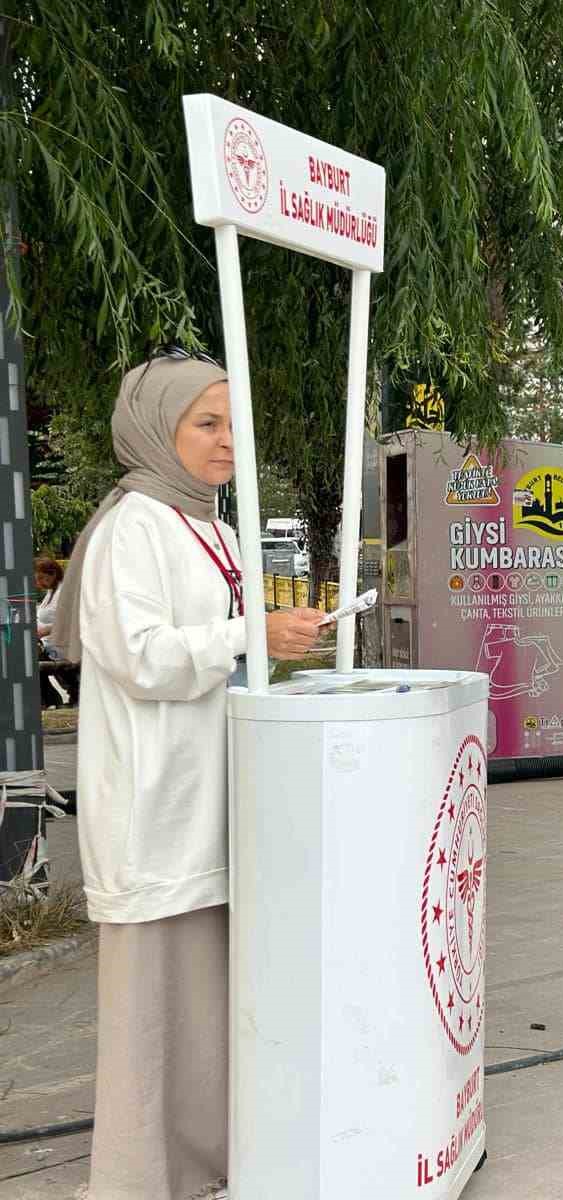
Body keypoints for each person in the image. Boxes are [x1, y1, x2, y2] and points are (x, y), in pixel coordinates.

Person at [52, 351, 325, 1199]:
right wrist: (251, 636)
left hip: (212, 798)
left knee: (206, 1006)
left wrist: (274, 642)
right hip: (154, 805)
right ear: (155, 430)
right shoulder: (134, 525)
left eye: (233, 424)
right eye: (207, 424)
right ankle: (136, 1180)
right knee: (152, 1014)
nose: (226, 443)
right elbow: (142, 659)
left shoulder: (207, 520)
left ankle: (206, 1165)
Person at [33, 556, 78, 707]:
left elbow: (71, 621)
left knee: (31, 662)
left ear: (52, 574)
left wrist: (44, 630)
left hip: (61, 646)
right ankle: (51, 699)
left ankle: (51, 700)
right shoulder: (50, 592)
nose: (38, 583)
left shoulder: (63, 592)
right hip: (50, 643)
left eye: (41, 578)